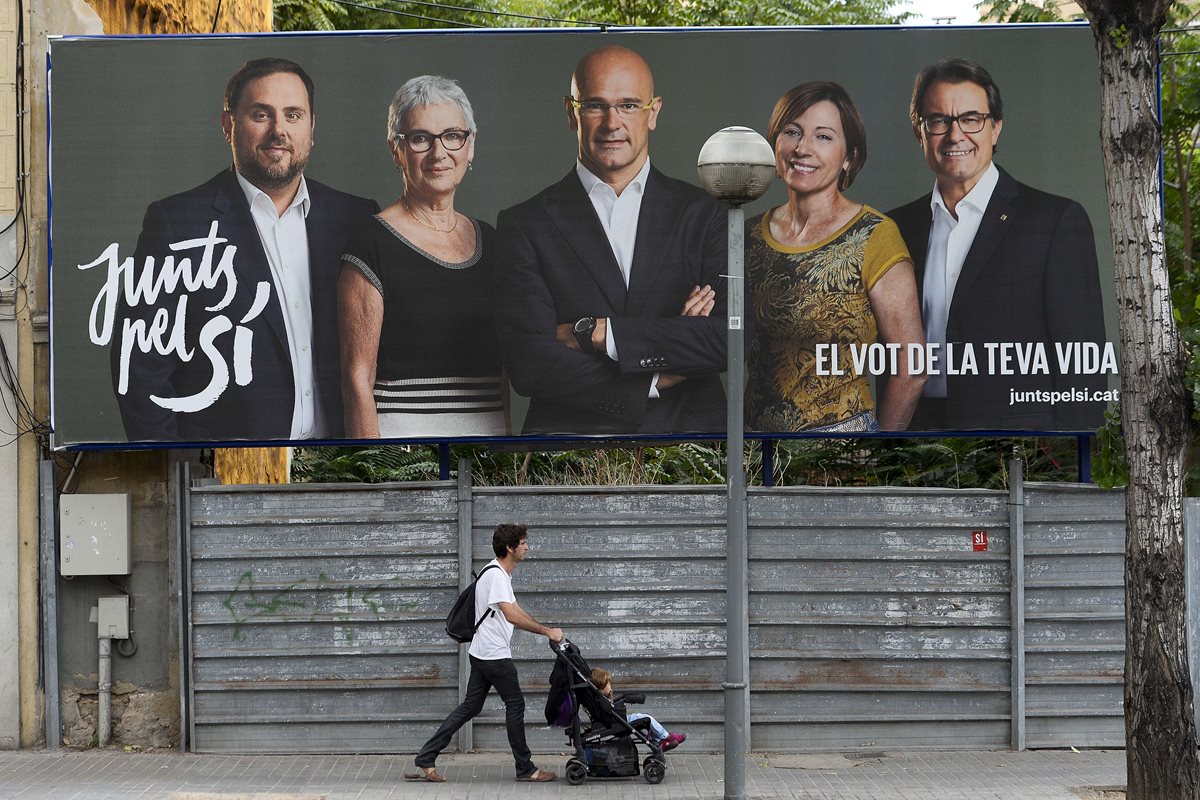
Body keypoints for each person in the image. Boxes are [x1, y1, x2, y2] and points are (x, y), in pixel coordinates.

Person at [112, 57, 379, 443]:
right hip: (226, 479)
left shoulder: (356, 218)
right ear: (228, 126)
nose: (279, 130)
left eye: (293, 115)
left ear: (311, 127)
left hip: (343, 466)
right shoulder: (177, 223)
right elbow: (140, 367)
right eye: (261, 114)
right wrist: (176, 469)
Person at [494, 45, 727, 435]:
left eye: (629, 105)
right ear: (571, 112)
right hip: (570, 455)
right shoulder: (524, 224)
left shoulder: (706, 213)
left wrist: (598, 333)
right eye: (595, 105)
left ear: (653, 112)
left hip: (690, 450)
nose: (611, 122)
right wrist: (653, 376)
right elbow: (530, 363)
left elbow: (725, 339)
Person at [888, 57, 1107, 431]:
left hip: (1020, 445)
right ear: (919, 132)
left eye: (971, 119)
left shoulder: (1055, 220)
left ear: (996, 128)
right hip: (915, 438)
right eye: (939, 120)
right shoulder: (894, 227)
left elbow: (1082, 361)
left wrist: (1073, 464)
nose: (956, 135)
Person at [745, 82, 926, 433]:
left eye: (823, 137)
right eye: (792, 132)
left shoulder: (875, 234)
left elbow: (913, 367)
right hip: (754, 451)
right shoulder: (747, 234)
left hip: (844, 449)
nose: (802, 148)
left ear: (850, 157)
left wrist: (878, 452)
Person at [339, 75, 505, 438]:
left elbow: (501, 376)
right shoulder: (371, 242)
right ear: (396, 150)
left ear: (470, 145)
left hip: (485, 457)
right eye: (420, 139)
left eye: (452, 136)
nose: (439, 153)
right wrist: (375, 476)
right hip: (402, 460)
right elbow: (357, 380)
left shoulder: (492, 243)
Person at [406, 524, 563, 783]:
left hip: (482, 652)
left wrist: (546, 629)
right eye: (523, 543)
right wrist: (547, 632)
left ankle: (426, 756)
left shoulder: (496, 572)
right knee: (515, 705)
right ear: (510, 548)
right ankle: (525, 767)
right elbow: (511, 615)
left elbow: (513, 607)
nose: (527, 547)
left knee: (470, 706)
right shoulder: (497, 576)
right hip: (494, 655)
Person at [589, 667, 686, 751]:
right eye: (608, 684)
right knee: (647, 718)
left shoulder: (598, 698)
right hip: (618, 722)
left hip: (617, 720)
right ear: (601, 687)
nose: (611, 686)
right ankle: (667, 736)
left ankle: (660, 742)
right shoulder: (600, 699)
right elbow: (610, 709)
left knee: (642, 719)